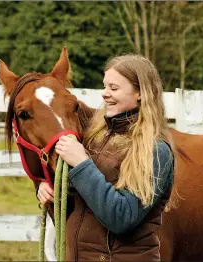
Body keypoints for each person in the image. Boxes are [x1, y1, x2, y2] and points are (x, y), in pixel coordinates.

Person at [37, 54, 175, 261]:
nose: (104, 94)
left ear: (140, 92)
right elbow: (85, 196)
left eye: (114, 88)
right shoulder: (97, 137)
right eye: (104, 86)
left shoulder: (155, 150)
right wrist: (52, 190)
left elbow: (122, 217)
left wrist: (82, 163)